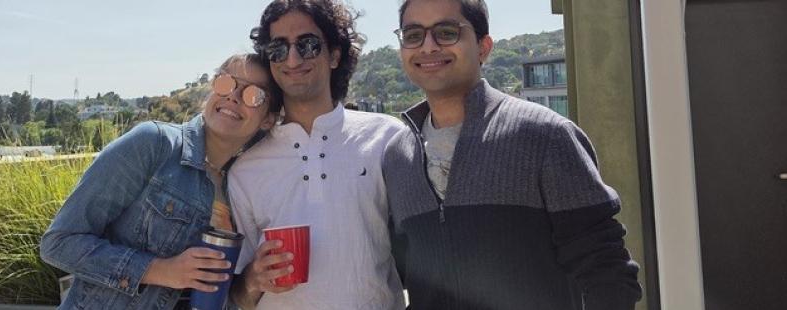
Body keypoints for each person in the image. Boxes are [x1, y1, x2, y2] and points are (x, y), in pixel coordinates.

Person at [383, 0, 642, 309]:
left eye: (446, 32)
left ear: (483, 47)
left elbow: (607, 271)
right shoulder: (397, 158)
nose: (428, 46)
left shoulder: (545, 135)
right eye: (413, 35)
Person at [40, 53, 280, 310]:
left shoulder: (244, 185)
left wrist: (252, 281)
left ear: (268, 119)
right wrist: (161, 271)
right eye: (226, 83)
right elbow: (59, 243)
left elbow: (225, 295)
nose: (233, 96)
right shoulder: (154, 144)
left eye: (254, 94)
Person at [226, 1, 406, 309]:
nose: (292, 59)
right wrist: (254, 278)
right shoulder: (244, 169)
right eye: (278, 49)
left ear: (335, 55)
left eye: (307, 45)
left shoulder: (388, 138)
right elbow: (237, 297)